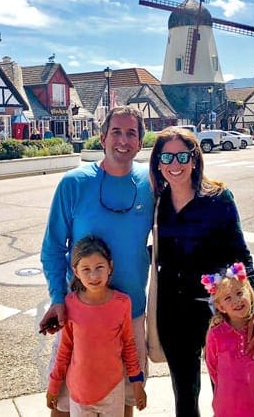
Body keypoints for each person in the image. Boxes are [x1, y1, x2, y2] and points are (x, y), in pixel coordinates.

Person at [148, 126, 254, 416]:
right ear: (157, 163)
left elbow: (241, 256)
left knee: (228, 393)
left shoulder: (218, 198)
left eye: (182, 156)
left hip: (218, 312)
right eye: (166, 158)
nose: (174, 165)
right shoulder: (159, 202)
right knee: (185, 397)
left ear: (194, 158)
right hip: (173, 313)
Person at [40, 106, 154, 417]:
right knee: (65, 403)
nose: (123, 139)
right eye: (116, 131)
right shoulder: (74, 183)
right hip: (80, 313)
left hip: (130, 312)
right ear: (102, 138)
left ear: (140, 142)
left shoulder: (151, 182)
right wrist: (56, 299)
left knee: (124, 402)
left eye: (131, 133)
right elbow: (52, 248)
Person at [46, 236, 148, 415]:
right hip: (79, 393)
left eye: (99, 267)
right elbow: (65, 350)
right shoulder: (70, 304)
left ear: (110, 267)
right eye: (86, 269)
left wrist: (137, 384)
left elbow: (129, 346)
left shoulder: (122, 303)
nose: (93, 276)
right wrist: (54, 386)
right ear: (76, 272)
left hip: (113, 392)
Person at [202, 263, 254, 417]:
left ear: (249, 294)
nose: (236, 301)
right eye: (228, 298)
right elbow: (213, 370)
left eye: (239, 293)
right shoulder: (215, 335)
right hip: (227, 409)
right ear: (220, 307)